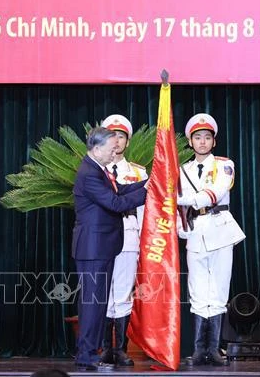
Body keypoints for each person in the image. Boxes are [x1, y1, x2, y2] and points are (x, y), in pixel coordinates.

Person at [72, 126, 148, 371]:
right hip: (93, 248)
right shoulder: (89, 174)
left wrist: (149, 184)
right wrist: (148, 193)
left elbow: (121, 190)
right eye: (109, 147)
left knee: (98, 303)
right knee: (93, 304)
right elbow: (116, 203)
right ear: (96, 148)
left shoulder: (98, 170)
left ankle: (89, 352)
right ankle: (86, 354)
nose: (113, 151)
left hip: (101, 247)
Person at [176, 113, 245, 366]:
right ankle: (198, 350)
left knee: (217, 291)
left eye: (207, 137)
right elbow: (177, 208)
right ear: (190, 141)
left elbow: (215, 193)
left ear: (214, 141)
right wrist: (179, 227)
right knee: (197, 292)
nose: (202, 142)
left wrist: (183, 200)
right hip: (194, 232)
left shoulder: (224, 165)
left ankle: (214, 349)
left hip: (219, 230)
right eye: (197, 137)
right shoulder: (182, 169)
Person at [99, 115, 148, 367]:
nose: (116, 141)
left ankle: (120, 349)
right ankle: (106, 348)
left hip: (129, 235)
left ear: (127, 142)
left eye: (121, 136)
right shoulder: (96, 169)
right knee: (104, 295)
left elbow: (144, 210)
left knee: (123, 294)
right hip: (102, 239)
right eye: (112, 136)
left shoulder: (138, 172)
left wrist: (143, 242)